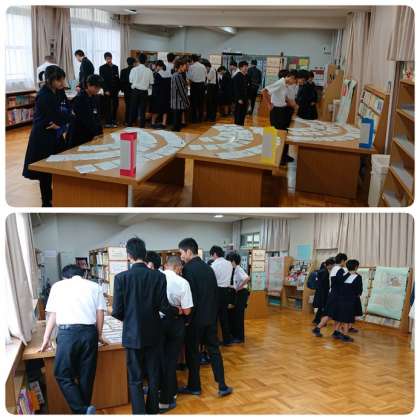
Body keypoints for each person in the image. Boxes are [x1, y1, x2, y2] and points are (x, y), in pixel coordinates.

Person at [112, 237, 179, 415]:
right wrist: (176, 312)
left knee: (135, 377)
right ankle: (152, 410)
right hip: (154, 333)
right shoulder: (158, 276)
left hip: (132, 334)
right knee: (153, 374)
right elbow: (164, 306)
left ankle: (139, 413)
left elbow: (117, 311)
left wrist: (130, 320)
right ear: (144, 253)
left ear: (129, 255)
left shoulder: (120, 278)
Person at [39, 265, 107, 414]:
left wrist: (46, 338)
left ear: (65, 276)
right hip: (89, 333)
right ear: (83, 275)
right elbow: (100, 312)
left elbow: (53, 314)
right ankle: (84, 411)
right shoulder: (95, 286)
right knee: (86, 375)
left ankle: (82, 410)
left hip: (68, 334)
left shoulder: (58, 286)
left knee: (62, 374)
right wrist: (99, 334)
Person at [177, 238, 233, 397]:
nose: (181, 256)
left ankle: (194, 386)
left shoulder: (187, 270)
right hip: (210, 318)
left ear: (188, 251)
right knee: (214, 350)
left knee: (193, 353)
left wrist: (187, 319)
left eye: (181, 253)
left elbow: (190, 298)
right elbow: (215, 294)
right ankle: (222, 385)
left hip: (195, 320)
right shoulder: (209, 268)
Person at [22, 65, 72, 207]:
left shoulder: (59, 90)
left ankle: (61, 194)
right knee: (45, 170)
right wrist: (65, 119)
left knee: (62, 163)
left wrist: (62, 123)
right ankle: (46, 201)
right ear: (50, 80)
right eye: (59, 80)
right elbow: (55, 115)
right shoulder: (43, 95)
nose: (62, 83)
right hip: (43, 135)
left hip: (56, 132)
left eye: (62, 79)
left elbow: (68, 109)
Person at [159, 256, 194, 413]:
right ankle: (168, 396)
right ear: (178, 267)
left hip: (157, 323)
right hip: (175, 323)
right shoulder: (183, 282)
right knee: (171, 359)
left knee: (159, 358)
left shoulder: (156, 277)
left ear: (166, 265)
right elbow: (187, 311)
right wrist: (178, 309)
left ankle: (161, 390)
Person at [262, 69, 298, 164]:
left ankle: (281, 156)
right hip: (276, 111)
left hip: (282, 110)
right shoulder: (280, 83)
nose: (294, 83)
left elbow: (283, 96)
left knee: (282, 133)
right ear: (291, 77)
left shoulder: (285, 84)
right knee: (277, 134)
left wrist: (289, 103)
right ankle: (274, 157)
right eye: (294, 80)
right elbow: (264, 91)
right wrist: (269, 104)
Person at [312, 253, 348, 338]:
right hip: (336, 295)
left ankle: (336, 331)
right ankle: (317, 328)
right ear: (342, 261)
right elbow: (341, 282)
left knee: (337, 315)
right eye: (345, 261)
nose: (345, 263)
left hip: (333, 294)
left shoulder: (334, 268)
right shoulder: (339, 270)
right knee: (330, 315)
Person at [66, 74, 104, 148]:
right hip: (78, 133)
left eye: (99, 88)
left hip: (89, 132)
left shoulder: (95, 97)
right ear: (88, 85)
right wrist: (95, 133)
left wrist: (100, 132)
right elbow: (87, 119)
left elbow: (97, 115)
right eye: (96, 87)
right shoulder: (80, 99)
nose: (98, 90)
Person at [333, 259, 363, 342]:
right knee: (347, 318)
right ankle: (345, 335)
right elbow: (359, 291)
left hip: (339, 299)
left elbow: (337, 286)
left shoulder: (343, 275)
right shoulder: (358, 277)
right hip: (350, 300)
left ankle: (336, 332)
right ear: (356, 267)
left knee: (340, 316)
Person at [210, 246, 235, 345]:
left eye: (212, 255)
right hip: (226, 291)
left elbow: (212, 279)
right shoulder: (229, 263)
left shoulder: (214, 265)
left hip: (217, 291)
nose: (212, 257)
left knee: (214, 317)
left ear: (215, 254)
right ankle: (227, 340)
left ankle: (215, 340)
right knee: (224, 316)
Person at [225, 252, 251, 343]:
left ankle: (240, 337)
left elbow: (247, 278)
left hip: (242, 293)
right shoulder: (235, 269)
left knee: (239, 315)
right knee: (236, 315)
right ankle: (236, 335)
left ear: (232, 261)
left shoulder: (239, 269)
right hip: (239, 293)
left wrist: (239, 288)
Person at [129, 53, 154, 128]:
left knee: (133, 109)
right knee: (142, 111)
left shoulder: (133, 69)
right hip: (144, 92)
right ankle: (142, 127)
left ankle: (130, 126)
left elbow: (130, 81)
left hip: (135, 91)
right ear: (146, 60)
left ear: (138, 60)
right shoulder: (149, 71)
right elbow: (151, 82)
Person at [99, 52, 120, 128]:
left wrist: (118, 89)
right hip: (107, 90)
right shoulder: (102, 67)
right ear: (105, 59)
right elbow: (102, 80)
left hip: (115, 90)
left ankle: (114, 120)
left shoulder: (115, 67)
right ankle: (108, 122)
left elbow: (117, 79)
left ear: (111, 58)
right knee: (107, 106)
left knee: (115, 105)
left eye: (110, 58)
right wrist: (105, 90)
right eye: (107, 59)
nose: (109, 60)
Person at [312, 258, 335, 325]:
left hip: (321, 292)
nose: (333, 267)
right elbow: (323, 284)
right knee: (322, 307)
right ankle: (318, 321)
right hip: (322, 293)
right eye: (333, 265)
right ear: (329, 265)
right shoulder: (324, 272)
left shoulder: (322, 271)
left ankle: (317, 320)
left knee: (321, 308)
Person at [171, 58, 190, 132]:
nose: (186, 67)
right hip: (177, 102)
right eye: (185, 66)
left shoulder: (178, 75)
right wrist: (187, 101)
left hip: (177, 102)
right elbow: (181, 90)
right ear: (180, 66)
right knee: (176, 125)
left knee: (177, 123)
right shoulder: (177, 76)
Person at [151, 60, 171, 129]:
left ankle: (153, 123)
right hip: (166, 94)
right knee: (165, 109)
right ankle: (164, 123)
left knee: (156, 109)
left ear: (158, 66)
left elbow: (155, 86)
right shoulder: (168, 73)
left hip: (159, 95)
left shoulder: (158, 74)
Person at [187, 54, 207, 123]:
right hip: (202, 85)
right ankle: (200, 118)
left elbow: (189, 77)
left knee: (193, 103)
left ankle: (194, 119)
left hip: (194, 85)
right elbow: (205, 76)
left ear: (192, 60)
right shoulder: (203, 66)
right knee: (201, 103)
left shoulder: (191, 67)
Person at [120, 57, 136, 125]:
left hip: (126, 91)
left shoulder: (123, 71)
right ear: (134, 63)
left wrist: (122, 90)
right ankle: (133, 121)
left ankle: (127, 121)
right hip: (134, 91)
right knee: (134, 106)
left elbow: (121, 82)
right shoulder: (136, 70)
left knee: (128, 106)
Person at [232, 61, 249, 126]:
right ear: (241, 67)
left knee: (243, 114)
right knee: (238, 115)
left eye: (247, 66)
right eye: (245, 67)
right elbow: (235, 89)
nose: (246, 68)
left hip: (245, 98)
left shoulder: (246, 76)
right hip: (239, 99)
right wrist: (239, 98)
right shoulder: (237, 76)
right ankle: (237, 128)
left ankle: (241, 127)